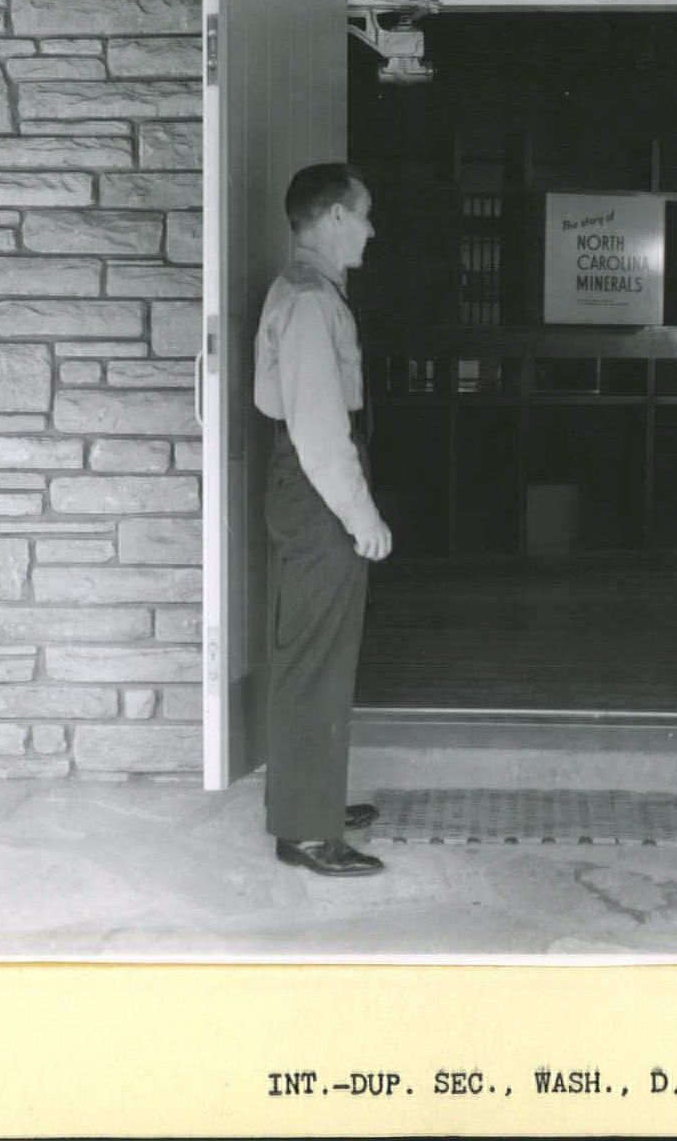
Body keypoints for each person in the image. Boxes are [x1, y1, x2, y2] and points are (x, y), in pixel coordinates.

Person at [252, 162, 396, 876]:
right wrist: (360, 514)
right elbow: (317, 425)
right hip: (317, 487)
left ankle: (308, 800)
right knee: (315, 652)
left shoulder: (308, 291)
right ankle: (307, 829)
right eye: (364, 215)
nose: (371, 229)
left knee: (314, 648)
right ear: (335, 217)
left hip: (307, 482)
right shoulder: (310, 301)